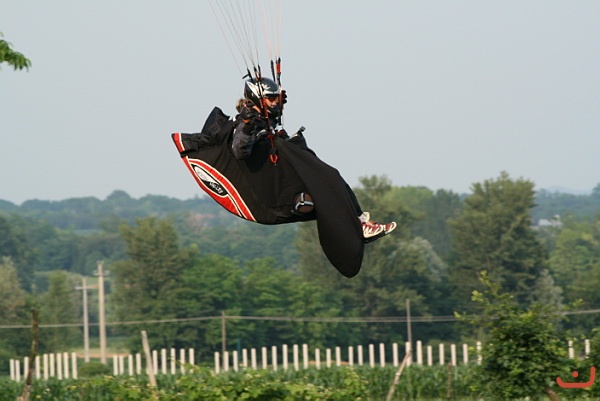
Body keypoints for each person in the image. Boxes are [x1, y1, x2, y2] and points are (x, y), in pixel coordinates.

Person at [231, 77, 396, 242]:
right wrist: (248, 126)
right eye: (271, 98)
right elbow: (239, 151)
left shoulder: (268, 119)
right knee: (328, 182)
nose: (275, 102)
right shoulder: (246, 123)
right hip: (275, 182)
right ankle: (358, 226)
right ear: (258, 99)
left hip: (288, 172)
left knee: (333, 178)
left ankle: (360, 223)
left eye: (277, 98)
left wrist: (279, 111)